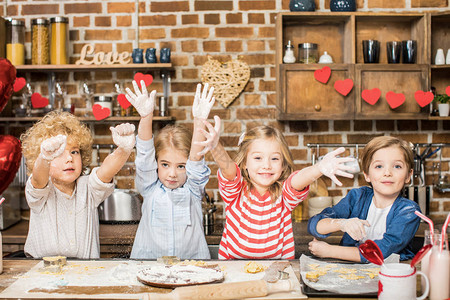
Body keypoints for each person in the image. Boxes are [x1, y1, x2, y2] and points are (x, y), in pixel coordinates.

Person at [196, 117, 355, 259]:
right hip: (234, 268)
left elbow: (297, 181)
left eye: (274, 158)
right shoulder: (235, 192)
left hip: (277, 269)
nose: (266, 165)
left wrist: (319, 168)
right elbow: (229, 170)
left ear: (283, 165)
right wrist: (216, 148)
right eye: (258, 158)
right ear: (244, 163)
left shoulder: (284, 197)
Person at [20, 111, 135, 259]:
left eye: (74, 151)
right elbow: (38, 179)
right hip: (41, 272)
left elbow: (106, 171)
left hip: (85, 273)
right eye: (58, 153)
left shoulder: (88, 188)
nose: (69, 158)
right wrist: (44, 158)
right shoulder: (40, 193)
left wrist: (123, 150)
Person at [126, 80, 215, 259]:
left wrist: (199, 121)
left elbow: (196, 159)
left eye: (181, 166)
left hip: (192, 268)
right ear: (156, 162)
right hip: (148, 266)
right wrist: (146, 117)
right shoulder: (149, 188)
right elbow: (145, 154)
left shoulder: (194, 190)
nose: (172, 173)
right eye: (165, 164)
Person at [308, 136, 421, 262]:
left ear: (408, 176)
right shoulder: (358, 197)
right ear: (367, 175)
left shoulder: (409, 211)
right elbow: (314, 225)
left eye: (397, 166)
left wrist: (329, 251)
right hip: (349, 274)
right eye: (379, 166)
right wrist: (341, 224)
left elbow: (379, 252)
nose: (387, 172)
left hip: (390, 277)